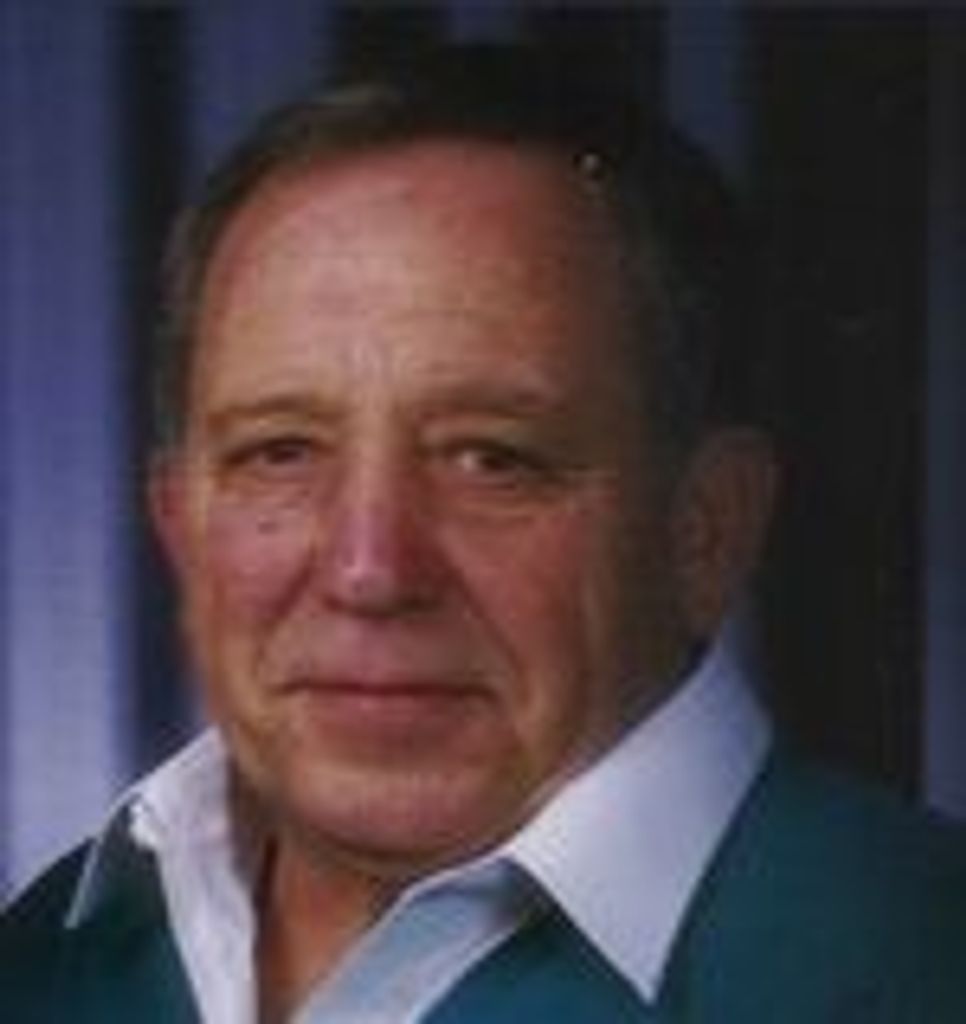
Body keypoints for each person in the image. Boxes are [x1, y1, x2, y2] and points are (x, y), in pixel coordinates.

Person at [2, 43, 965, 1024]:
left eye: (492, 459)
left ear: (705, 530)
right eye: (279, 452)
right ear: (180, 524)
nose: (370, 570)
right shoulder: (40, 965)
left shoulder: (923, 962)